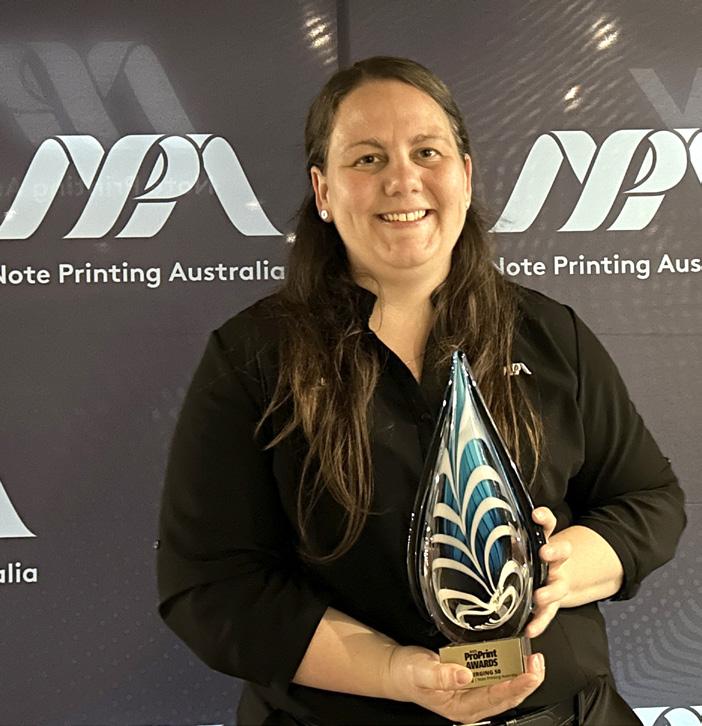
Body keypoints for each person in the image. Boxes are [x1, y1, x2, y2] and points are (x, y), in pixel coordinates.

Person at [156, 57, 686, 725]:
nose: (403, 179)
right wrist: (393, 672)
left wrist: (565, 566)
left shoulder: (550, 334)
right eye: (368, 159)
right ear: (323, 191)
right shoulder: (253, 358)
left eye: (426, 152)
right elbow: (210, 588)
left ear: (464, 174)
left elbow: (649, 500)